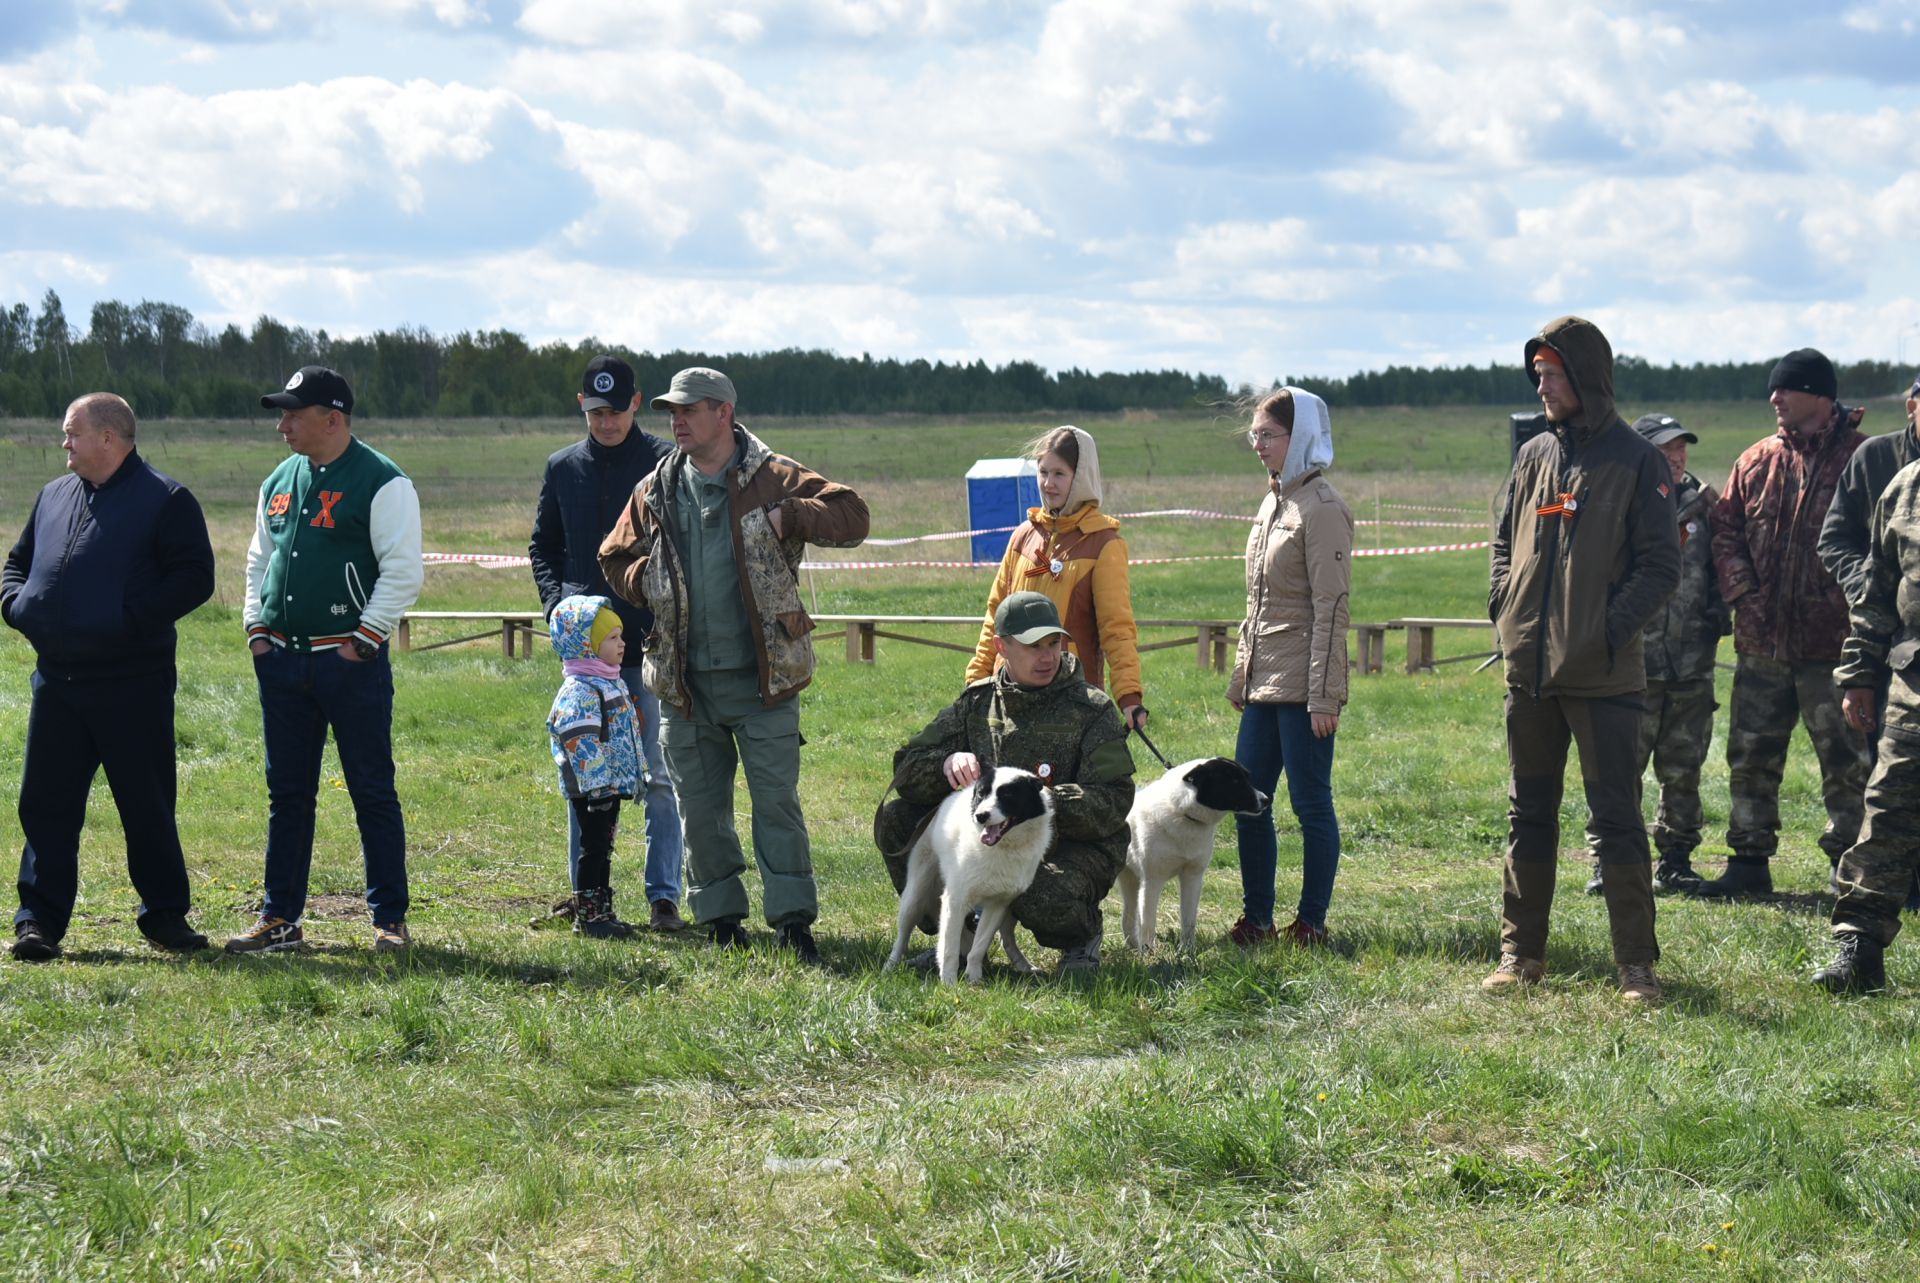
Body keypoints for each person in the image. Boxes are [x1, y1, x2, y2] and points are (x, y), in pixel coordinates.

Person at [599, 366, 869, 964]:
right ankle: (721, 919)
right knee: (700, 808)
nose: (676, 421)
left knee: (776, 803)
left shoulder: (774, 476)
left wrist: (794, 516)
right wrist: (649, 581)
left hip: (764, 679)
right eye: (671, 410)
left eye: (689, 410)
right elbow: (613, 555)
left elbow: (853, 517)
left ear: (723, 412)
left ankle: (794, 922)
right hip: (683, 681)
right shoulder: (658, 487)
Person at [1484, 316, 1679, 1002]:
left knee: (1616, 817)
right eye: (1536, 374)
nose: (1542, 385)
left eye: (1554, 373)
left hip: (1603, 678)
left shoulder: (1638, 461)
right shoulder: (1533, 455)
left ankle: (1635, 965)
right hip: (1528, 674)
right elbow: (1504, 541)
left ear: (1587, 376)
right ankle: (1520, 953)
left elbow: (1660, 567)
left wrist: (1603, 632)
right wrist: (1504, 606)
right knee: (1528, 811)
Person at [2, 393, 215, 961]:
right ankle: (37, 922)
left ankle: (165, 917)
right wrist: (17, 606)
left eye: (72, 433)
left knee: (145, 804)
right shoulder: (53, 495)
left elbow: (194, 577)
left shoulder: (166, 500)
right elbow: (17, 564)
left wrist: (126, 620)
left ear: (109, 438)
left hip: (132, 683)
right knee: (46, 804)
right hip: (58, 685)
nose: (63, 443)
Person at [228, 366, 424, 955]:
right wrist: (256, 629)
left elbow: (403, 570)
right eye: (281, 413)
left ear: (333, 418)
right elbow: (258, 561)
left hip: (350, 662)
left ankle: (389, 918)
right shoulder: (279, 481)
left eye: (294, 414)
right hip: (283, 661)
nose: (282, 425)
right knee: (288, 794)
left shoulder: (383, 481)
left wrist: (363, 640)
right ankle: (280, 919)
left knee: (371, 788)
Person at [875, 592, 1135, 973]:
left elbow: (1115, 799)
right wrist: (946, 764)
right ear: (1002, 647)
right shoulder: (978, 703)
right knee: (900, 821)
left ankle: (1080, 938)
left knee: (1039, 890)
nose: (1047, 657)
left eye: (1054, 644)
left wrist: (1045, 803)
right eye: (1033, 647)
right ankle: (960, 938)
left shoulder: (1090, 709)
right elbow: (906, 767)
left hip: (1072, 846)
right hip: (991, 840)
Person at [1692, 349, 1869, 899]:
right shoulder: (1756, 460)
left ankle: (1855, 869)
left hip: (1834, 648)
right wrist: (1743, 592)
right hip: (1762, 643)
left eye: (1785, 390)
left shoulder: (1864, 461)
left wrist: (1854, 608)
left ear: (1820, 395)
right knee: (1750, 754)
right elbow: (1726, 530)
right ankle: (1748, 862)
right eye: (1773, 390)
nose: (1774, 399)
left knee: (1849, 762)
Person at [529, 354, 684, 934]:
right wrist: (558, 607)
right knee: (584, 775)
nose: (606, 422)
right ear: (582, 408)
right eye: (595, 413)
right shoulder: (563, 467)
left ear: (636, 404)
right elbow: (542, 546)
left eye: (615, 411)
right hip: (584, 666)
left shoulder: (664, 463)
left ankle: (663, 896)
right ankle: (587, 893)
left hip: (646, 647)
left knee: (659, 774)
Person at [1224, 387, 1352, 947]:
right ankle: (1257, 920)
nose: (1258, 445)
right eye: (1254, 435)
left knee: (1309, 804)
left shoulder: (1323, 509)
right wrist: (1241, 674)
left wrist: (1324, 695)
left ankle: (1312, 923)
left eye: (1267, 435)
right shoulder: (1272, 502)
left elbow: (1331, 608)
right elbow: (1257, 602)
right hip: (1264, 686)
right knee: (1248, 803)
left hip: (1304, 690)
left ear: (1297, 438)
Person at [1582, 414, 1728, 896]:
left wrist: (1716, 619)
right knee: (1620, 767)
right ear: (1644, 453)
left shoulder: (1705, 508)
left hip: (1691, 663)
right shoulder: (1621, 503)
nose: (1678, 456)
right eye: (1667, 448)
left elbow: (1721, 571)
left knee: (1683, 767)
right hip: (1632, 663)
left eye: (1683, 447)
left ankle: (1676, 859)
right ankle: (1610, 860)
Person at [964, 426, 1149, 730]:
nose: (1048, 484)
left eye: (1059, 474)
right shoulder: (1022, 537)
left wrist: (1129, 696)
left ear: (1081, 476)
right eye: (1043, 472)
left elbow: (1117, 629)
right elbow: (995, 615)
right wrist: (977, 680)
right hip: (1008, 694)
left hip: (1071, 699)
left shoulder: (1104, 543)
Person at [1816, 372, 1920, 912]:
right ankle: (1871, 914)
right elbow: (1838, 539)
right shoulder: (1884, 467)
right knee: (1889, 777)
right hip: (1893, 649)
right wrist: (1871, 586)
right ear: (1911, 407)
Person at [545, 595, 645, 939]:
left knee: (604, 848)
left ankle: (602, 911)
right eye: (613, 638)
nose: (623, 643)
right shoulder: (581, 689)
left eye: (620, 635)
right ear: (587, 646)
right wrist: (597, 784)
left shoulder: (607, 680)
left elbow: (625, 734)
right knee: (593, 848)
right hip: (593, 788)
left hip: (609, 784)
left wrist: (636, 773)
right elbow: (580, 740)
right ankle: (588, 917)